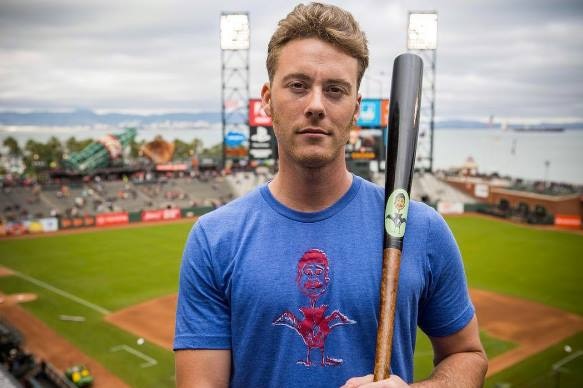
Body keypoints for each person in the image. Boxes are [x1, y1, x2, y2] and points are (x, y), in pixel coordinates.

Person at [174, 3, 487, 388]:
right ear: (268, 99)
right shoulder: (214, 238)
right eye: (298, 85)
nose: (316, 106)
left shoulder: (420, 228)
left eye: (335, 90)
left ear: (356, 108)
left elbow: (467, 354)